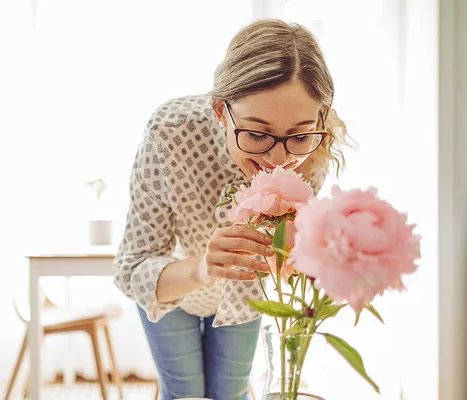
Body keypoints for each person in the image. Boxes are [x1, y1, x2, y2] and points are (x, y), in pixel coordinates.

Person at [113, 18, 350, 400]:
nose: (277, 159)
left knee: (232, 392)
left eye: (299, 135)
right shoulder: (169, 133)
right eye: (256, 134)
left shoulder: (311, 156)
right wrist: (203, 268)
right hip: (171, 288)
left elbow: (288, 258)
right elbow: (131, 270)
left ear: (319, 119)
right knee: (186, 392)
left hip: (243, 292)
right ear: (221, 110)